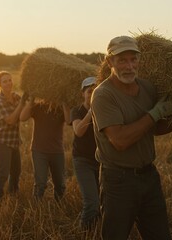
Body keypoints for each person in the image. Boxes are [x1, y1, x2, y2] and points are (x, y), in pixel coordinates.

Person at [91, 36, 172, 240]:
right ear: (110, 62)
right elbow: (120, 140)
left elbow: (154, 129)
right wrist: (155, 113)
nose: (129, 66)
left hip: (149, 176)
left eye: (133, 59)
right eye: (122, 60)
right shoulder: (104, 95)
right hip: (118, 180)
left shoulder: (147, 88)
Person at [20, 96, 70, 201]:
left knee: (60, 184)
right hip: (39, 151)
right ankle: (36, 209)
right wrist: (31, 102)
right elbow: (22, 118)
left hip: (57, 151)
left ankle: (59, 206)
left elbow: (69, 121)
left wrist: (64, 103)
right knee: (40, 183)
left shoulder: (60, 108)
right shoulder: (38, 107)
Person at [0, 71, 27, 201]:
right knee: (3, 174)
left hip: (14, 140)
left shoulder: (16, 97)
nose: (8, 83)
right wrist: (22, 104)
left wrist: (30, 100)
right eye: (4, 81)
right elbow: (11, 120)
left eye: (10, 80)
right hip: (1, 140)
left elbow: (23, 116)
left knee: (16, 172)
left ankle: (13, 195)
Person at [70, 76, 100, 230]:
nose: (92, 93)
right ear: (83, 93)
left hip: (101, 161)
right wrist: (91, 112)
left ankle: (96, 231)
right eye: (89, 91)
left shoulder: (104, 109)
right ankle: (83, 233)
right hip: (83, 161)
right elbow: (78, 131)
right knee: (91, 202)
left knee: (103, 201)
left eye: (95, 90)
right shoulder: (77, 110)